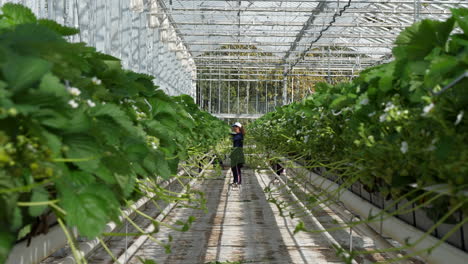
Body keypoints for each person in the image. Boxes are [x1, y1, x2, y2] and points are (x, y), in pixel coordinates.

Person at [230, 122, 245, 186]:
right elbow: (233, 135)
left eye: (234, 127)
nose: (233, 128)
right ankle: (235, 181)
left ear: (238, 127)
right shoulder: (237, 135)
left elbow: (235, 137)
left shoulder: (240, 135)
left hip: (238, 153)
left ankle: (238, 182)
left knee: (236, 167)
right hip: (234, 152)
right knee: (233, 167)